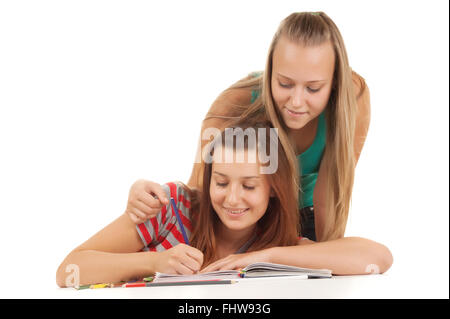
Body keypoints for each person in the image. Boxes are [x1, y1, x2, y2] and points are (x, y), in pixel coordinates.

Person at [129, 12, 372, 243]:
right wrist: (151, 194)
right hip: (250, 221)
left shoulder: (353, 98)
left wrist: (328, 257)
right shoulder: (231, 106)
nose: (297, 101)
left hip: (310, 219)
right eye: (285, 83)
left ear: (334, 82)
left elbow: (330, 193)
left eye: (314, 88)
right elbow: (200, 190)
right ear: (270, 72)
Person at [56, 125, 392, 287]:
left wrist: (265, 257)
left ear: (273, 189)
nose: (232, 199)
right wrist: (156, 260)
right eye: (221, 182)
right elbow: (69, 270)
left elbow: (378, 258)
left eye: (248, 186)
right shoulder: (171, 207)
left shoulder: (275, 241)